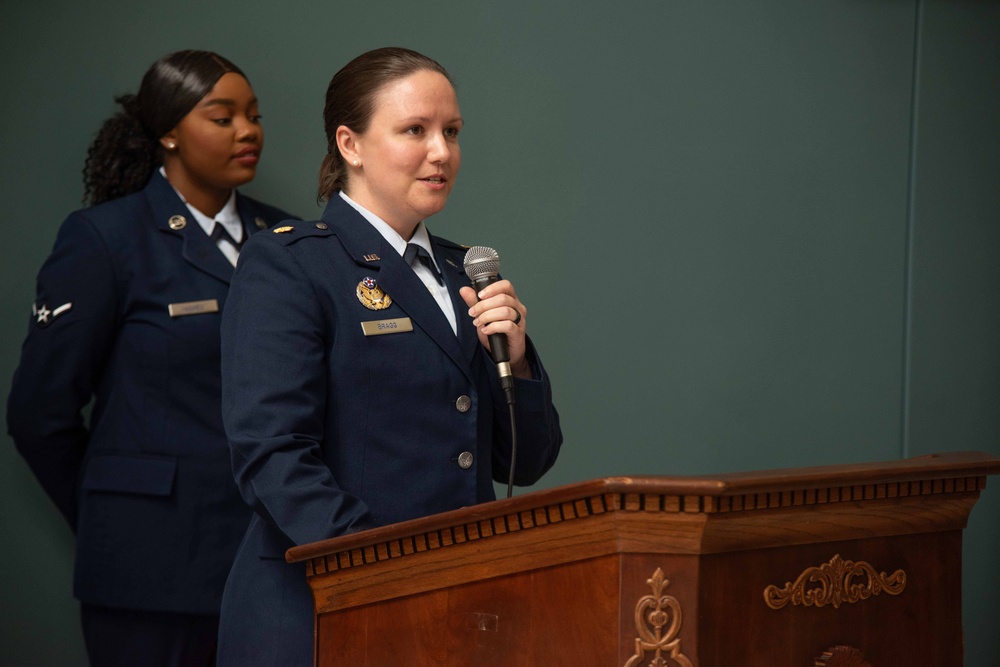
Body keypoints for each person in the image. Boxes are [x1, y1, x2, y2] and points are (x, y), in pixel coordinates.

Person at [216, 47, 563, 665]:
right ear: (350, 145)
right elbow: (273, 455)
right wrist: (387, 573)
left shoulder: (464, 269)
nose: (442, 152)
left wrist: (518, 360)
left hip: (452, 609)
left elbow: (527, 462)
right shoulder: (292, 265)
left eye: (452, 132)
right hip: (329, 609)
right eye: (415, 130)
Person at [6, 50, 296, 666]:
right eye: (223, 118)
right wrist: (116, 514)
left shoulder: (290, 242)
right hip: (147, 571)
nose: (248, 131)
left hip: (269, 563)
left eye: (254, 115)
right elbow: (38, 412)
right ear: (168, 131)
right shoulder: (105, 239)